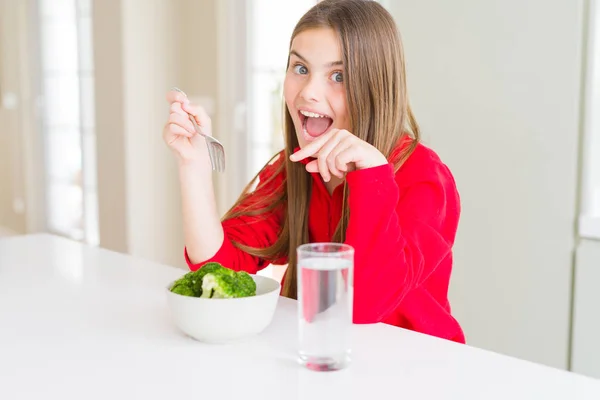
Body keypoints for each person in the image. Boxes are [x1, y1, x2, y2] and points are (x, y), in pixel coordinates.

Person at [163, 0, 465, 343]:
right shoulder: (294, 169)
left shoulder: (426, 181)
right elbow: (217, 271)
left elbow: (362, 308)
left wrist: (371, 177)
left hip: (418, 369)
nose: (308, 92)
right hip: (328, 358)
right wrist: (194, 167)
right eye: (300, 68)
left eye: (338, 76)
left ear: (375, 87)